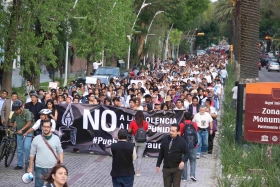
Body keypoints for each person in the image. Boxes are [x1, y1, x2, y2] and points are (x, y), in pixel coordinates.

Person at [29, 120, 63, 187]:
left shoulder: (56, 139)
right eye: (44, 126)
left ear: (50, 128)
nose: (46, 128)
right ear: (41, 127)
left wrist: (61, 164)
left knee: (52, 185)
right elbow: (32, 153)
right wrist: (30, 167)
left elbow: (60, 151)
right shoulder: (36, 139)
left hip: (52, 167)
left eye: (48, 127)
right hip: (39, 167)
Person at [10, 100, 33, 170]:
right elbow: (12, 122)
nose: (16, 112)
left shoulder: (27, 113)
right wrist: (12, 128)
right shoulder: (15, 114)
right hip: (19, 133)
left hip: (28, 132)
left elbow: (29, 123)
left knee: (26, 147)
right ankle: (19, 164)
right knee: (19, 149)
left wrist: (22, 130)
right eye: (15, 110)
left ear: (21, 107)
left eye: (17, 110)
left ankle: (27, 162)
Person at [128, 110, 148, 176]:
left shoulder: (133, 122)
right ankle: (138, 172)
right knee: (139, 157)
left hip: (134, 141)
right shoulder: (145, 123)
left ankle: (130, 170)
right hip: (143, 141)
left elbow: (129, 130)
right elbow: (146, 131)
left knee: (132, 156)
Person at [179, 112, 198, 182]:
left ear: (184, 117)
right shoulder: (194, 124)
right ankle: (192, 175)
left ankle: (184, 177)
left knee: (184, 160)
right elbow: (196, 132)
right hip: (193, 145)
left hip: (184, 145)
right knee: (193, 160)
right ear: (191, 117)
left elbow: (180, 134)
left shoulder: (181, 124)